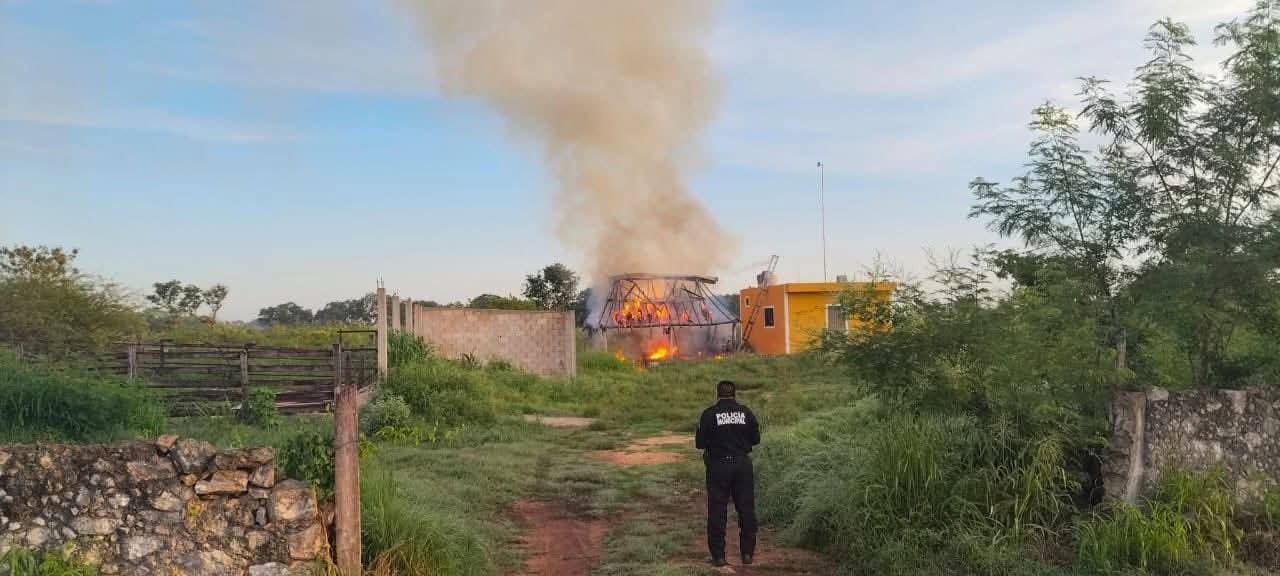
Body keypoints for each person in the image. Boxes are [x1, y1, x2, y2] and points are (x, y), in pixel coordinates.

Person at [695, 379, 760, 567]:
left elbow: (700, 444)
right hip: (742, 465)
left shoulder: (709, 414)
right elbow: (755, 439)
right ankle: (747, 554)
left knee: (717, 511)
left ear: (717, 394)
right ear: (734, 393)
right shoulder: (745, 412)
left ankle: (719, 556)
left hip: (718, 466)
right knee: (746, 510)